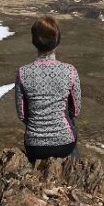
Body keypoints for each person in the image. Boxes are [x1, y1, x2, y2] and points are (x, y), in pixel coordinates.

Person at [14, 16, 82, 163]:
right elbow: (76, 110)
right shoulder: (70, 71)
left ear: (34, 41)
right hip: (65, 143)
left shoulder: (22, 72)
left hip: (34, 145)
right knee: (71, 128)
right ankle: (73, 174)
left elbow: (22, 114)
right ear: (57, 41)